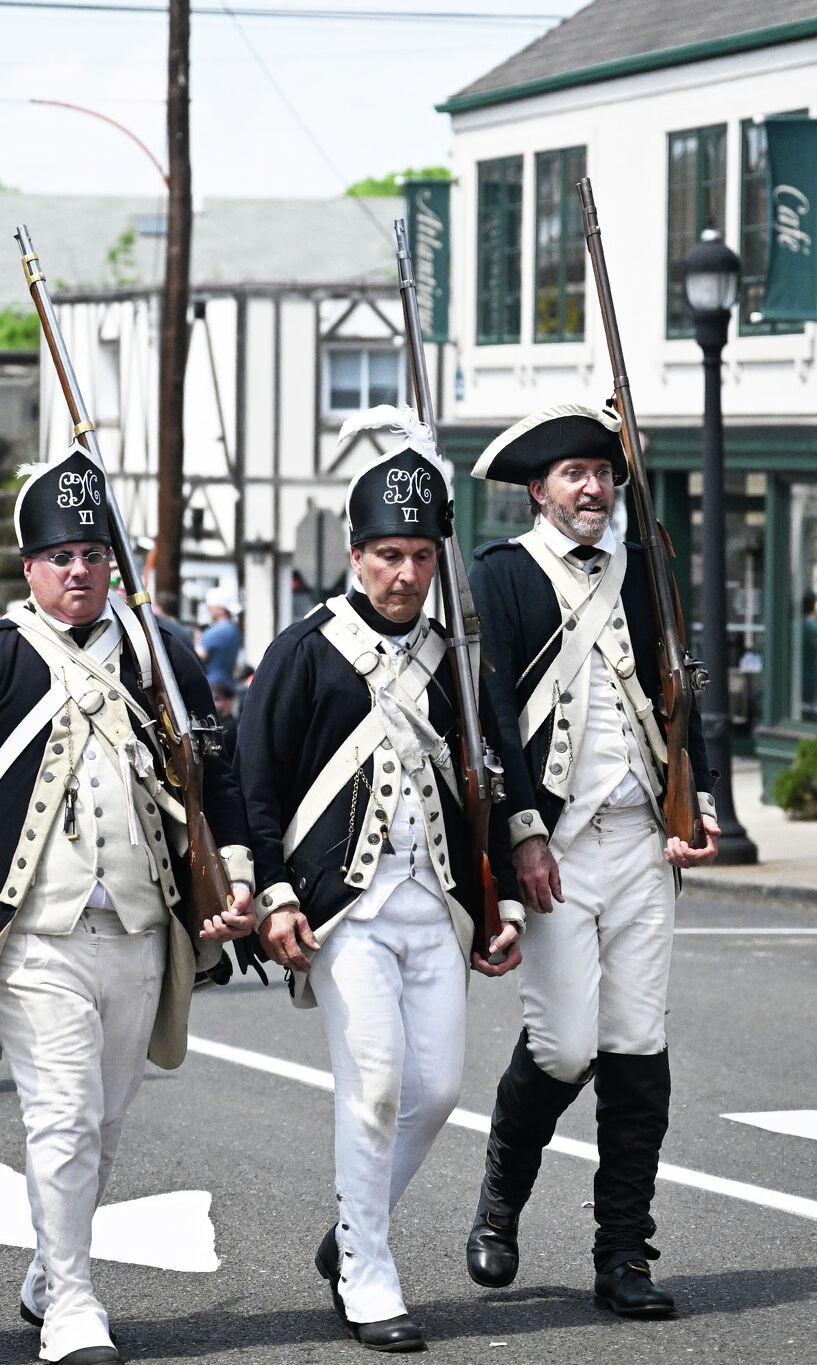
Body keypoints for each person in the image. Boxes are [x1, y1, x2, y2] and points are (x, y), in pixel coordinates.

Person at [0, 449, 255, 1365]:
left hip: (140, 928)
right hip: (34, 934)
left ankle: (46, 1269)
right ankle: (69, 1302)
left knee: (100, 1123)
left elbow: (216, 774)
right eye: (60, 555)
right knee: (60, 1118)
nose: (79, 570)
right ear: (28, 566)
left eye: (94, 552)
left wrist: (238, 879)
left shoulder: (160, 654)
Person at [237, 410, 524, 1353]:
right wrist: (275, 892)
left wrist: (500, 905)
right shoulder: (305, 649)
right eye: (389, 554)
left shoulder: (456, 657)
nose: (406, 574)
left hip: (434, 902)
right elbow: (256, 781)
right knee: (375, 1088)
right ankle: (369, 1275)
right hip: (343, 911)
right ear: (357, 554)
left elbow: (491, 778)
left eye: (421, 557)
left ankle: (353, 1228)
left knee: (437, 1089)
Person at [462, 403, 720, 1319]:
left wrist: (704, 798)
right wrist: (519, 830)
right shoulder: (501, 576)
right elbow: (488, 715)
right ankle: (502, 1197)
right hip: (557, 847)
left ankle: (624, 1253)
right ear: (538, 490)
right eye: (573, 472)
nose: (592, 485)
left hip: (643, 837)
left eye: (602, 470)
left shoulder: (647, 568)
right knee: (565, 1044)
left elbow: (685, 682)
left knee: (638, 1048)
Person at [195, 585, 242, 690]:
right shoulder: (233, 630)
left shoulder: (216, 632)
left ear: (221, 609)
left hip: (213, 687)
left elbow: (198, 656)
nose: (208, 610)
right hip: (228, 685)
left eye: (210, 608)